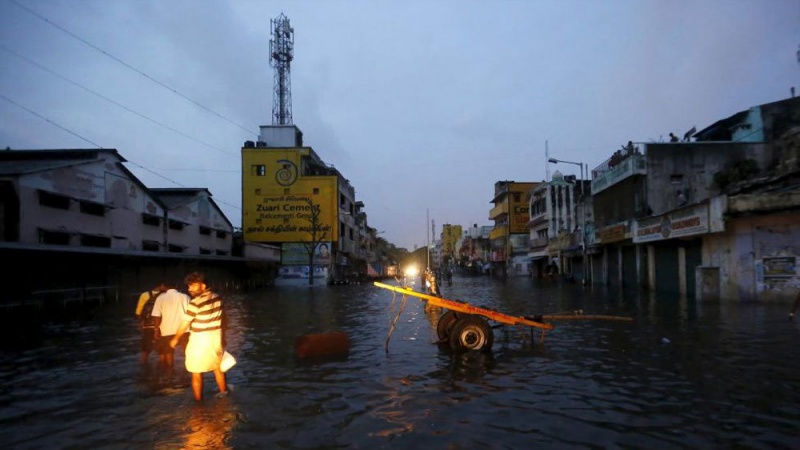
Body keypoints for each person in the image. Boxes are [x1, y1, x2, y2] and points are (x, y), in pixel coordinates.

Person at [170, 271, 227, 401]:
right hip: (215, 337)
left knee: (196, 372)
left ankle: (198, 403)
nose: (189, 289)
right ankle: (224, 394)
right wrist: (224, 337)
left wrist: (176, 338)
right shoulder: (217, 297)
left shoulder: (195, 302)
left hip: (199, 340)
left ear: (202, 285)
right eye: (189, 286)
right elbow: (224, 318)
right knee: (218, 368)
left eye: (193, 285)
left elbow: (185, 322)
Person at [152, 283, 190, 368]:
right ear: (176, 286)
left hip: (166, 330)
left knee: (168, 353)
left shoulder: (160, 298)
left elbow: (156, 316)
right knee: (188, 352)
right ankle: (190, 373)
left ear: (164, 286)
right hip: (184, 329)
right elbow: (191, 314)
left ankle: (170, 374)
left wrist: (156, 330)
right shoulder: (185, 296)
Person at [135, 282, 167, 364]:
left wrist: (141, 324)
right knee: (162, 351)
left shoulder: (144, 295)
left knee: (145, 350)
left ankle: (143, 369)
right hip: (161, 326)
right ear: (162, 285)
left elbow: (138, 313)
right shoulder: (165, 295)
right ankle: (164, 371)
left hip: (147, 326)